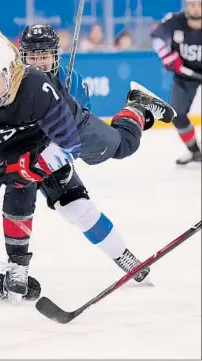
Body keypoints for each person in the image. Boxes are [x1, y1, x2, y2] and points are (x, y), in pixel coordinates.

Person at [0, 29, 175, 303]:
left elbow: (67, 145)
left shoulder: (38, 89)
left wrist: (33, 167)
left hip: (58, 134)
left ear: (11, 74)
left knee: (114, 157)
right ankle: (6, 265)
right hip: (0, 146)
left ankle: (136, 106)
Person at [17, 23, 151, 284]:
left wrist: (48, 159)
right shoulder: (11, 81)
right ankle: (13, 269)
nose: (38, 62)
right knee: (4, 201)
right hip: (21, 153)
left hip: (54, 152)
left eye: (43, 56)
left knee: (79, 209)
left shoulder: (73, 82)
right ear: (23, 56)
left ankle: (123, 256)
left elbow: (77, 136)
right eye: (32, 56)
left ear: (55, 55)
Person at [150, 0, 202, 165]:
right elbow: (156, 37)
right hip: (185, 76)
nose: (196, 8)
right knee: (178, 114)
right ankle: (194, 151)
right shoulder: (174, 20)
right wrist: (167, 56)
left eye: (200, 5)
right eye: (192, 5)